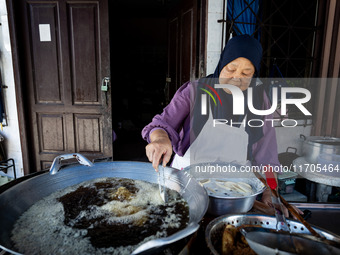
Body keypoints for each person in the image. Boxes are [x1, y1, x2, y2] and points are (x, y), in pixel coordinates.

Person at [142, 34, 300, 216]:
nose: (236, 78)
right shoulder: (194, 91)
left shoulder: (259, 101)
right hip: (187, 186)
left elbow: (267, 157)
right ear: (221, 64)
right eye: (230, 69)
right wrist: (161, 139)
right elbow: (161, 124)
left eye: (246, 74)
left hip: (235, 194)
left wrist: (270, 193)